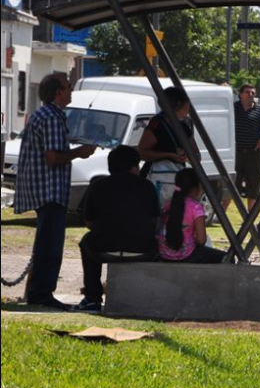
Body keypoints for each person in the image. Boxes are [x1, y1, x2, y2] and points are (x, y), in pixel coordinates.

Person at [14, 74, 96, 309]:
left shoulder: (47, 115)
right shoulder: (50, 117)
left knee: (47, 243)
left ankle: (39, 292)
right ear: (58, 93)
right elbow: (52, 158)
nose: (71, 91)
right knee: (50, 245)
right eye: (68, 87)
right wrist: (79, 152)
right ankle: (42, 294)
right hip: (48, 189)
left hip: (45, 188)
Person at [74, 145, 160, 312]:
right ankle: (148, 295)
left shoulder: (98, 186)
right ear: (134, 167)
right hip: (143, 250)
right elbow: (154, 221)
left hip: (103, 249)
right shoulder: (147, 186)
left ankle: (92, 299)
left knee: (87, 241)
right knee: (156, 243)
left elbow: (89, 222)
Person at [137, 86, 199, 209]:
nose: (189, 107)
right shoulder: (157, 124)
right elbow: (142, 152)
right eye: (187, 103)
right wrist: (168, 155)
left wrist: (187, 156)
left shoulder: (185, 125)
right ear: (179, 104)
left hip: (177, 181)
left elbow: (196, 155)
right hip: (155, 181)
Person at [156, 168, 226, 263]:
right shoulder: (196, 208)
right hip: (187, 256)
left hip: (164, 254)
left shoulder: (167, 204)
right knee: (227, 258)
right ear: (195, 188)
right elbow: (201, 240)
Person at [232, 84, 260, 211]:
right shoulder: (233, 108)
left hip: (253, 153)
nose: (250, 95)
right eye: (247, 92)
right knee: (231, 183)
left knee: (254, 184)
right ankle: (220, 215)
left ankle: (250, 215)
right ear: (240, 94)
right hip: (235, 153)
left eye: (253, 93)